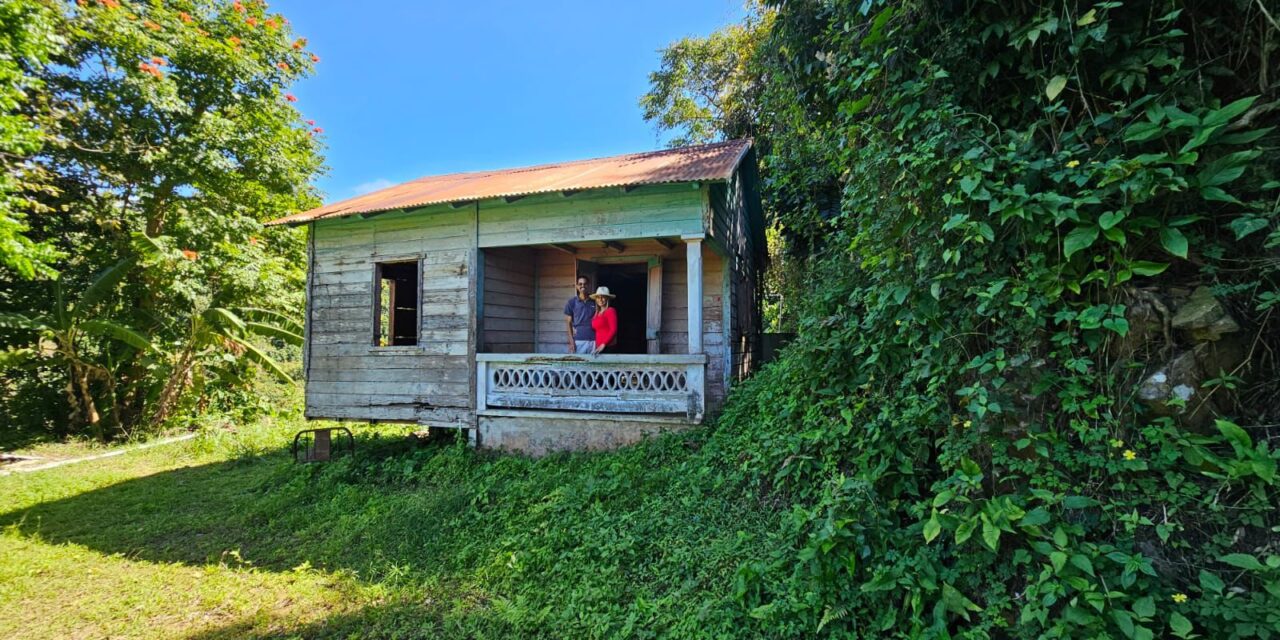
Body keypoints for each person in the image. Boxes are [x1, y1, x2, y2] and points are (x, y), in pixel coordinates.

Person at [564, 275, 596, 354]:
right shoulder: (571, 302)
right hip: (578, 341)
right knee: (578, 365)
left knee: (593, 366)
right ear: (577, 286)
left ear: (588, 285)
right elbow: (568, 323)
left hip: (593, 340)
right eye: (580, 284)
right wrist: (571, 342)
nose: (583, 286)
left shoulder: (595, 301)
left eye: (585, 284)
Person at [589, 286, 617, 355]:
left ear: (607, 298)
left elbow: (613, 330)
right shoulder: (597, 313)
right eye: (598, 297)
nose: (600, 299)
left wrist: (603, 344)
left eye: (603, 297)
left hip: (608, 346)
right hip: (598, 346)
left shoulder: (610, 311)